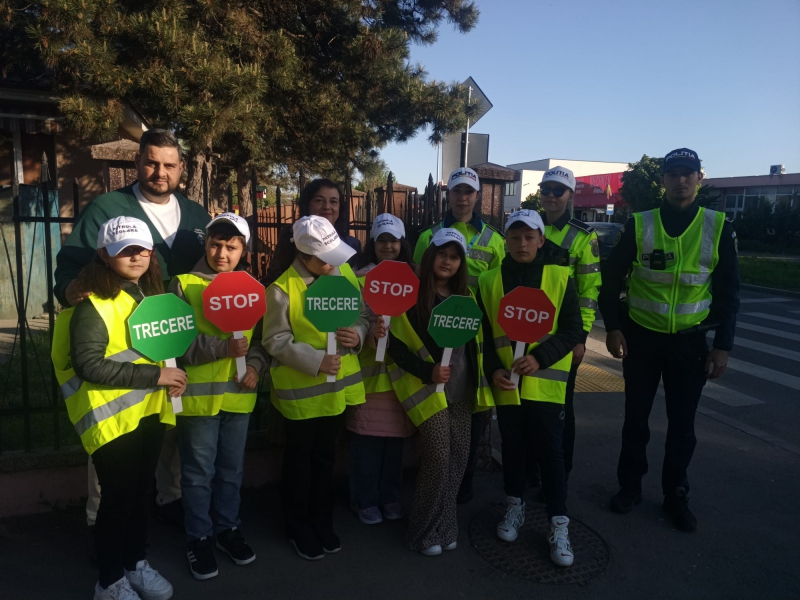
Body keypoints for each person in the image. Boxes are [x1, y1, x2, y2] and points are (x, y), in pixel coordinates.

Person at [55, 129, 211, 540]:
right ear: (138, 162)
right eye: (152, 162)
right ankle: (102, 523)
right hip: (121, 338)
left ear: (182, 168)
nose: (160, 172)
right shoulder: (108, 207)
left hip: (176, 335)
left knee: (169, 424)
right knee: (117, 436)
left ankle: (167, 500)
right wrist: (70, 291)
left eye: (169, 165)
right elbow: (70, 263)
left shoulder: (197, 216)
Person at [598, 148, 740, 532]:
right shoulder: (640, 224)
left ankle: (676, 493)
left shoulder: (718, 226)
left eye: (687, 173)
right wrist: (613, 326)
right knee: (635, 421)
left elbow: (729, 292)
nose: (681, 180)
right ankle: (630, 487)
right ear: (663, 180)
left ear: (699, 178)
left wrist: (722, 345)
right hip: (642, 339)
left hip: (689, 344)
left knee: (682, 426)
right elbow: (610, 279)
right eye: (673, 173)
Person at [51, 217, 184, 600]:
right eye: (125, 250)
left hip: (148, 412)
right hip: (112, 420)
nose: (136, 256)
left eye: (142, 249)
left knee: (141, 493)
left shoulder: (147, 295)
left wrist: (172, 375)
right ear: (104, 254)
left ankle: (135, 563)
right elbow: (88, 365)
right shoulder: (92, 303)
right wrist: (157, 376)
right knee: (117, 500)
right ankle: (109, 582)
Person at [478, 209, 583, 568]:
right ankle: (514, 507)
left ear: (541, 240)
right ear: (505, 241)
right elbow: (483, 337)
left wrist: (540, 358)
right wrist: (493, 369)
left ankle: (559, 523)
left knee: (551, 453)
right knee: (513, 448)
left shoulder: (560, 277)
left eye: (529, 237)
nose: (521, 244)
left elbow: (572, 329)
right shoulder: (489, 280)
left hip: (546, 387)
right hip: (507, 385)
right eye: (515, 237)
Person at [168, 213, 269, 580]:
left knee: (231, 471)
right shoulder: (184, 284)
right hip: (197, 400)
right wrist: (221, 348)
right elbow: (175, 342)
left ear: (243, 250)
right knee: (197, 474)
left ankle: (228, 530)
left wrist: (255, 366)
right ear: (206, 244)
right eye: (215, 245)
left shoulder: (253, 288)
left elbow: (261, 341)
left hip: (238, 397)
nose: (222, 253)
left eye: (231, 247)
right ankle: (198, 537)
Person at [262, 215, 368, 560]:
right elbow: (275, 339)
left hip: (336, 392)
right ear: (303, 255)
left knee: (325, 459)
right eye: (325, 259)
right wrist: (316, 360)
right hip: (301, 396)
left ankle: (322, 520)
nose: (333, 264)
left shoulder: (344, 273)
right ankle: (297, 526)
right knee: (299, 462)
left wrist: (358, 334)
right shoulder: (281, 289)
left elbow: (362, 315)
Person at [386, 228, 491, 556]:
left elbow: (478, 344)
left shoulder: (468, 297)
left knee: (458, 457)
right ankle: (421, 532)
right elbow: (395, 347)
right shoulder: (413, 297)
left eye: (455, 257)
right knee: (438, 458)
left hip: (462, 391)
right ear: (430, 256)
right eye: (442, 254)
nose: (447, 261)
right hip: (428, 392)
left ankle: (445, 527)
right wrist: (426, 371)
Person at [413, 167, 506, 505]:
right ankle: (435, 481)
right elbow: (418, 284)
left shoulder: (496, 240)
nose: (462, 197)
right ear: (448, 195)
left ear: (477, 196)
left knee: (473, 407)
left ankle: (461, 484)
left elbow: (500, 289)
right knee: (436, 405)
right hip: (435, 333)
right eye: (457, 191)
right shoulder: (428, 236)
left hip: (478, 336)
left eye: (469, 191)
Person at [347, 214, 416, 525]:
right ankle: (364, 498)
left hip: (400, 375)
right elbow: (352, 321)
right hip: (367, 374)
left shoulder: (412, 279)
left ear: (402, 244)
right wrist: (368, 333)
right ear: (372, 243)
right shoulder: (357, 279)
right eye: (382, 240)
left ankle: (390, 495)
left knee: (394, 443)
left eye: (394, 240)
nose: (388, 246)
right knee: (366, 439)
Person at [538, 166, 602, 488]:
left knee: (561, 407)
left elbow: (589, 292)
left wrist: (580, 337)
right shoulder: (530, 225)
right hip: (527, 330)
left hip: (563, 336)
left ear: (570, 195)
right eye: (546, 189)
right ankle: (534, 469)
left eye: (558, 190)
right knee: (531, 405)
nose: (551, 196)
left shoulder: (583, 236)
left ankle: (560, 473)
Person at [263, 179, 362, 285]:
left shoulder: (352, 244)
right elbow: (274, 277)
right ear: (307, 204)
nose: (327, 206)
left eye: (333, 201)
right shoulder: (290, 236)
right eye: (319, 200)